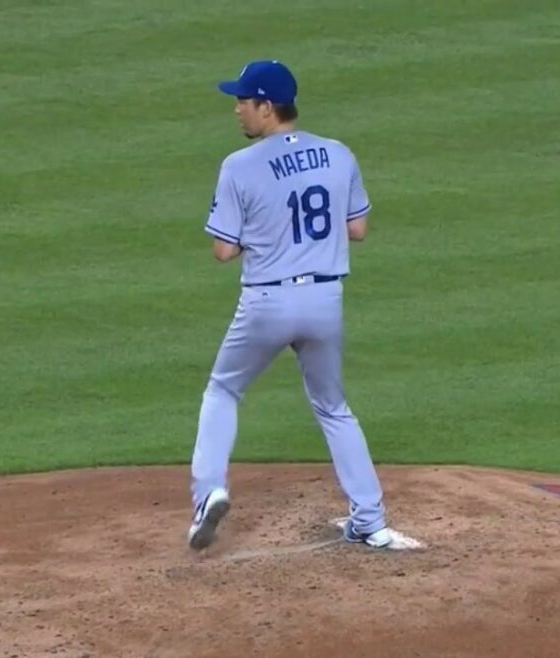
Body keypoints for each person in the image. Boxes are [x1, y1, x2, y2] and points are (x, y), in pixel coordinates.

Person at [187, 59, 394, 551]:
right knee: (334, 407)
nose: (237, 110)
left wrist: (265, 235)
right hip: (325, 300)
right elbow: (358, 229)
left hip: (268, 301)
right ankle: (371, 519)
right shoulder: (338, 153)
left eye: (243, 101)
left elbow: (222, 251)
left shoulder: (239, 166)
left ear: (267, 107)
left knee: (223, 390)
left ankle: (208, 492)